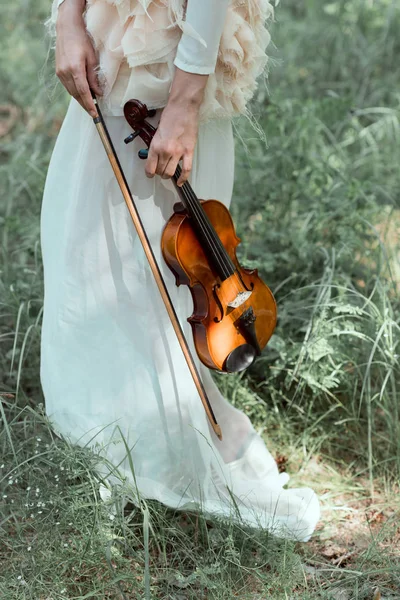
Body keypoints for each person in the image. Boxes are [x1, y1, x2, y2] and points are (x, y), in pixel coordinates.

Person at [41, 0, 320, 541]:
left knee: (153, 275)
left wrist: (184, 104)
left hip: (170, 56)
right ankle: (110, 460)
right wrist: (68, 20)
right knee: (84, 255)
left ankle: (147, 461)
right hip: (113, 35)